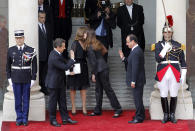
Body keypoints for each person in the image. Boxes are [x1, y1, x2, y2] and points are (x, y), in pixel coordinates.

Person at [154, 19, 187, 123]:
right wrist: (165, 49)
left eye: (169, 32)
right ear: (163, 33)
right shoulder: (158, 45)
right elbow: (158, 59)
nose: (167, 34)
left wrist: (183, 76)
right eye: (165, 32)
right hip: (162, 71)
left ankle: (172, 115)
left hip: (174, 71)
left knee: (173, 93)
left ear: (172, 33)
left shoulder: (178, 45)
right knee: (163, 93)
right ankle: (165, 115)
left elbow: (183, 62)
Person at [84, 28, 122, 118]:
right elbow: (105, 51)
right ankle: (98, 110)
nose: (83, 35)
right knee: (100, 90)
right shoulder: (97, 43)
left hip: (99, 69)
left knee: (105, 89)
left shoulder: (89, 46)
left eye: (85, 34)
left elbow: (93, 62)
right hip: (103, 67)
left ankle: (117, 109)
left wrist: (93, 73)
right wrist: (100, 58)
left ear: (89, 35)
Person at [6, 30, 37, 126]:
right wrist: (9, 78)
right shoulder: (11, 50)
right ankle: (19, 118)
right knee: (18, 100)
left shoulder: (31, 50)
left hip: (27, 78)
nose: (19, 40)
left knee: (26, 100)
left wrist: (33, 78)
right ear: (15, 39)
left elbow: (34, 66)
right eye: (17, 38)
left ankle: (25, 119)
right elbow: (8, 65)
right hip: (15, 78)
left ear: (24, 38)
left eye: (21, 38)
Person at [45, 38, 78, 127]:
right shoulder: (54, 56)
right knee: (53, 103)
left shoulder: (57, 53)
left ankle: (65, 118)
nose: (64, 48)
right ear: (58, 47)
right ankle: (53, 120)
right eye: (63, 47)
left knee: (63, 101)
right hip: (53, 83)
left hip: (60, 82)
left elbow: (63, 66)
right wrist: (72, 59)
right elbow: (65, 67)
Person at [119, 34, 145, 124]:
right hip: (138, 80)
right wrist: (123, 58)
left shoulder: (136, 51)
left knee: (137, 99)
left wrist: (133, 81)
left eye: (128, 42)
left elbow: (135, 68)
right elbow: (131, 62)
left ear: (133, 41)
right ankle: (141, 115)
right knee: (138, 98)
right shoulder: (135, 50)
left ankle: (138, 117)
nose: (126, 44)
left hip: (137, 80)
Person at [67, 27, 90, 116]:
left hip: (83, 67)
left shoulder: (86, 43)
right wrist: (71, 69)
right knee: (73, 88)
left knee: (83, 88)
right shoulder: (75, 43)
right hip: (75, 66)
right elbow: (71, 56)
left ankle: (84, 107)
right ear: (81, 34)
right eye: (85, 33)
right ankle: (73, 107)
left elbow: (89, 55)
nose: (86, 35)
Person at [117, 0, 145, 69]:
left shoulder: (139, 8)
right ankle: (129, 77)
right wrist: (127, 29)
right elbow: (119, 23)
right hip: (126, 38)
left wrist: (134, 29)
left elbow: (142, 21)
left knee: (139, 61)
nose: (128, 0)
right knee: (128, 60)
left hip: (138, 37)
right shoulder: (120, 9)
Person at [38, 11, 53, 95]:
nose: (43, 19)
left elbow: (49, 40)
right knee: (38, 72)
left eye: (44, 17)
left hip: (47, 54)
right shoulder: (35, 27)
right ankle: (39, 87)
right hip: (39, 54)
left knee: (45, 72)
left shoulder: (48, 26)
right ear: (37, 17)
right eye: (41, 17)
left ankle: (44, 88)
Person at [0, 15, 8, 89]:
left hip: (3, 54)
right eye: (4, 22)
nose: (5, 24)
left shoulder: (5, 30)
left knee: (3, 71)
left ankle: (2, 85)